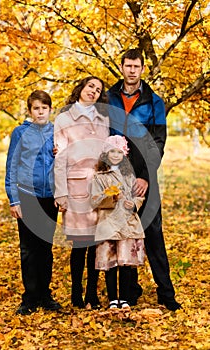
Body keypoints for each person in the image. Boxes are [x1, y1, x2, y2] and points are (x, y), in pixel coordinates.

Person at [107, 48, 181, 311]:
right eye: (127, 66)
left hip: (144, 176)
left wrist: (146, 177)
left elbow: (158, 142)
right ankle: (130, 291)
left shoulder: (154, 101)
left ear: (142, 68)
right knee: (123, 233)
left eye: (136, 66)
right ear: (122, 67)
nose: (131, 70)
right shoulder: (109, 97)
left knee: (153, 232)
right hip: (116, 177)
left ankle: (166, 293)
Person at [54, 76, 109, 309]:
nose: (93, 91)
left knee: (96, 244)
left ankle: (92, 295)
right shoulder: (64, 118)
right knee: (79, 244)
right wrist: (61, 193)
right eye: (90, 86)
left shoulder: (103, 119)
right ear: (81, 88)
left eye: (98, 90)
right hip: (75, 186)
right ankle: (76, 294)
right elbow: (60, 157)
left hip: (99, 189)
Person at [5, 90, 62, 315]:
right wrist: (14, 199)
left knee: (45, 248)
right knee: (29, 249)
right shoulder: (20, 133)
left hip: (49, 198)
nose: (40, 112)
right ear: (30, 111)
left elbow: (65, 162)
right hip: (28, 196)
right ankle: (29, 297)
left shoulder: (57, 132)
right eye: (36, 108)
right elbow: (12, 166)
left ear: (50, 110)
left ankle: (45, 294)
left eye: (44, 108)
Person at [91, 135, 145, 309]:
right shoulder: (99, 176)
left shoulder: (129, 175)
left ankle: (125, 298)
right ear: (105, 154)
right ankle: (113, 298)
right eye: (112, 151)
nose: (115, 155)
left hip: (127, 223)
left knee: (125, 262)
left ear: (125, 154)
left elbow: (139, 196)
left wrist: (134, 204)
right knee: (111, 262)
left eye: (119, 151)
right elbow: (94, 200)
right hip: (108, 224)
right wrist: (110, 197)